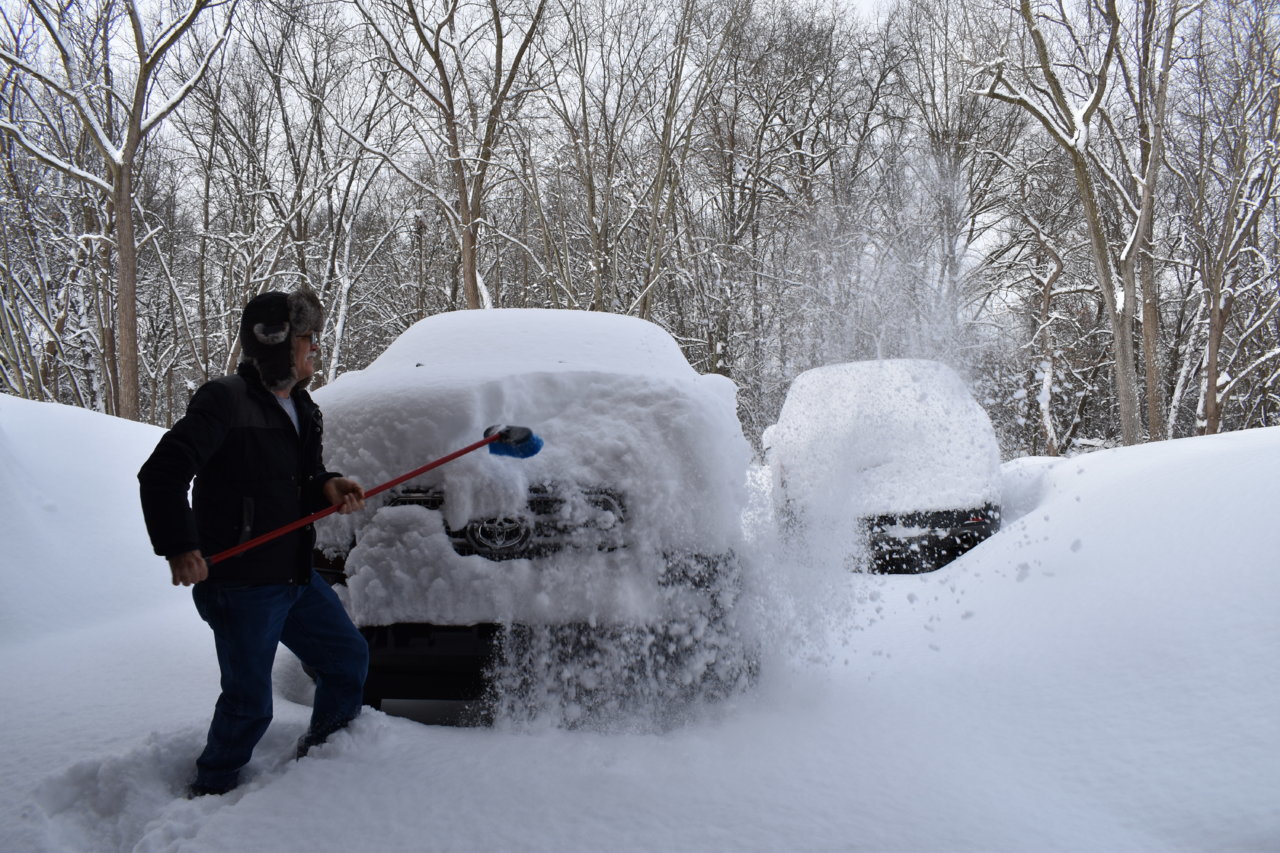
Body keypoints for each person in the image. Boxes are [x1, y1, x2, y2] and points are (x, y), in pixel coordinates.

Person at [138, 289, 369, 798]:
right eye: (308, 339)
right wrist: (180, 545)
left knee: (346, 658)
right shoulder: (225, 400)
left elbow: (302, 476)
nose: (316, 350)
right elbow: (162, 473)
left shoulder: (305, 409)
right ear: (278, 343)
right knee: (249, 703)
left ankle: (326, 757)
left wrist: (328, 484)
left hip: (292, 574)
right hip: (240, 585)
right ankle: (214, 787)